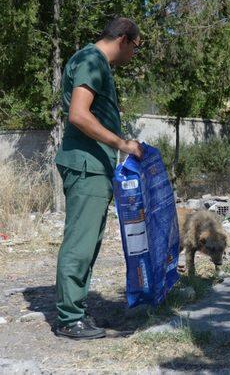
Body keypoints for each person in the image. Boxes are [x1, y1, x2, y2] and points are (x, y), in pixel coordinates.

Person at [53, 18, 143, 339]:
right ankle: (69, 318)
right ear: (122, 39)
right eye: (136, 46)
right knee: (80, 241)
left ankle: (76, 309)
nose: (135, 53)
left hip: (93, 167)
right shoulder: (92, 60)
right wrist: (122, 144)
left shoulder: (90, 61)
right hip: (87, 166)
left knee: (88, 241)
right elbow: (78, 114)